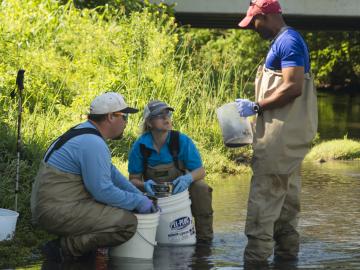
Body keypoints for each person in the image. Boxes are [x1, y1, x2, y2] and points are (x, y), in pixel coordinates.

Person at [236, 0, 318, 264]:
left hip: (279, 140)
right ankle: (286, 260)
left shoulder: (289, 42)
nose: (253, 28)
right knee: (286, 206)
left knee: (263, 201)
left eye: (254, 22)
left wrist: (257, 106)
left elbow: (293, 86)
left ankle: (255, 262)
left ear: (266, 16)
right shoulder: (285, 41)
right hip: (287, 141)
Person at [31, 92, 156, 262]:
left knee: (122, 205)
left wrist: (138, 195)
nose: (126, 122)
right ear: (111, 117)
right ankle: (63, 249)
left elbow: (111, 173)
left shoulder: (84, 132)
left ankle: (81, 248)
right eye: (124, 116)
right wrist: (137, 202)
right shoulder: (93, 143)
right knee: (127, 223)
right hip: (56, 211)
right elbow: (103, 191)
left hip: (55, 205)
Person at [128, 100, 214, 244]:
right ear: (149, 123)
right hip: (154, 194)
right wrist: (144, 185)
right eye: (159, 115)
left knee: (201, 187)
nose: (166, 118)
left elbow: (200, 171)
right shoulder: (140, 146)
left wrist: (187, 179)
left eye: (167, 113)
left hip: (181, 191)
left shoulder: (181, 140)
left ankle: (205, 241)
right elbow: (133, 180)